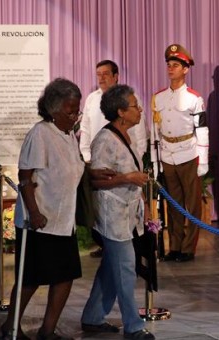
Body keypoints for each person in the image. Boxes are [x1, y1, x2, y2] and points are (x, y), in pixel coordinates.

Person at [0, 78, 84, 340]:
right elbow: (26, 176)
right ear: (53, 110)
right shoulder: (40, 133)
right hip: (41, 220)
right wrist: (34, 212)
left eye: (76, 110)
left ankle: (48, 330)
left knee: (65, 276)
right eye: (70, 111)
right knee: (31, 279)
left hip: (64, 219)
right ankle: (10, 328)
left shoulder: (68, 136)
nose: (75, 116)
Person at [80, 84, 155, 339]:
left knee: (111, 269)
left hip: (127, 213)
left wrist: (142, 201)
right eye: (135, 106)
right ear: (121, 112)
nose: (140, 109)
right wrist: (127, 178)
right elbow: (96, 180)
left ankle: (92, 317)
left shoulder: (126, 135)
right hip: (112, 215)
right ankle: (133, 326)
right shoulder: (104, 140)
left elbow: (131, 173)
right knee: (124, 268)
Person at [79, 60, 148, 258]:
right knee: (120, 261)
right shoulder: (92, 99)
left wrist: (134, 164)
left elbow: (140, 138)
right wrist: (85, 156)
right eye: (98, 74)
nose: (101, 78)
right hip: (101, 164)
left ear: (116, 76)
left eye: (106, 73)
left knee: (118, 263)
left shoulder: (128, 99)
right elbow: (85, 129)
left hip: (127, 163)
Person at [151, 44, 208, 262]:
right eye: (169, 65)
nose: (171, 69)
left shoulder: (194, 98)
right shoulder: (159, 98)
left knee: (191, 205)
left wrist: (202, 161)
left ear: (185, 69)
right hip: (167, 155)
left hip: (188, 153)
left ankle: (188, 248)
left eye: (176, 65)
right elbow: (155, 133)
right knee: (173, 204)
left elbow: (202, 129)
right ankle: (174, 246)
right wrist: (156, 162)